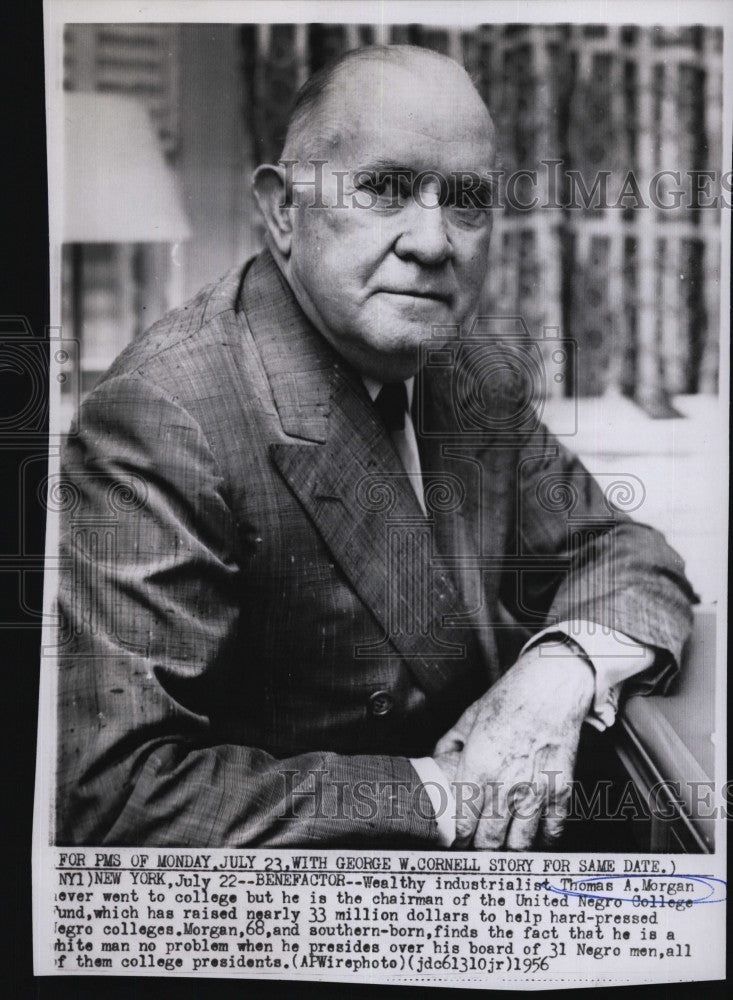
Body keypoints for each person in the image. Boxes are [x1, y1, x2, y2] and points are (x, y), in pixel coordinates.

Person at [56, 45, 695, 849]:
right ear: (282, 209)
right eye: (385, 189)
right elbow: (117, 797)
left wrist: (558, 669)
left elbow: (625, 550)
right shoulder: (161, 416)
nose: (432, 242)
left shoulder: (462, 369)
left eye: (465, 201)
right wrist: (444, 792)